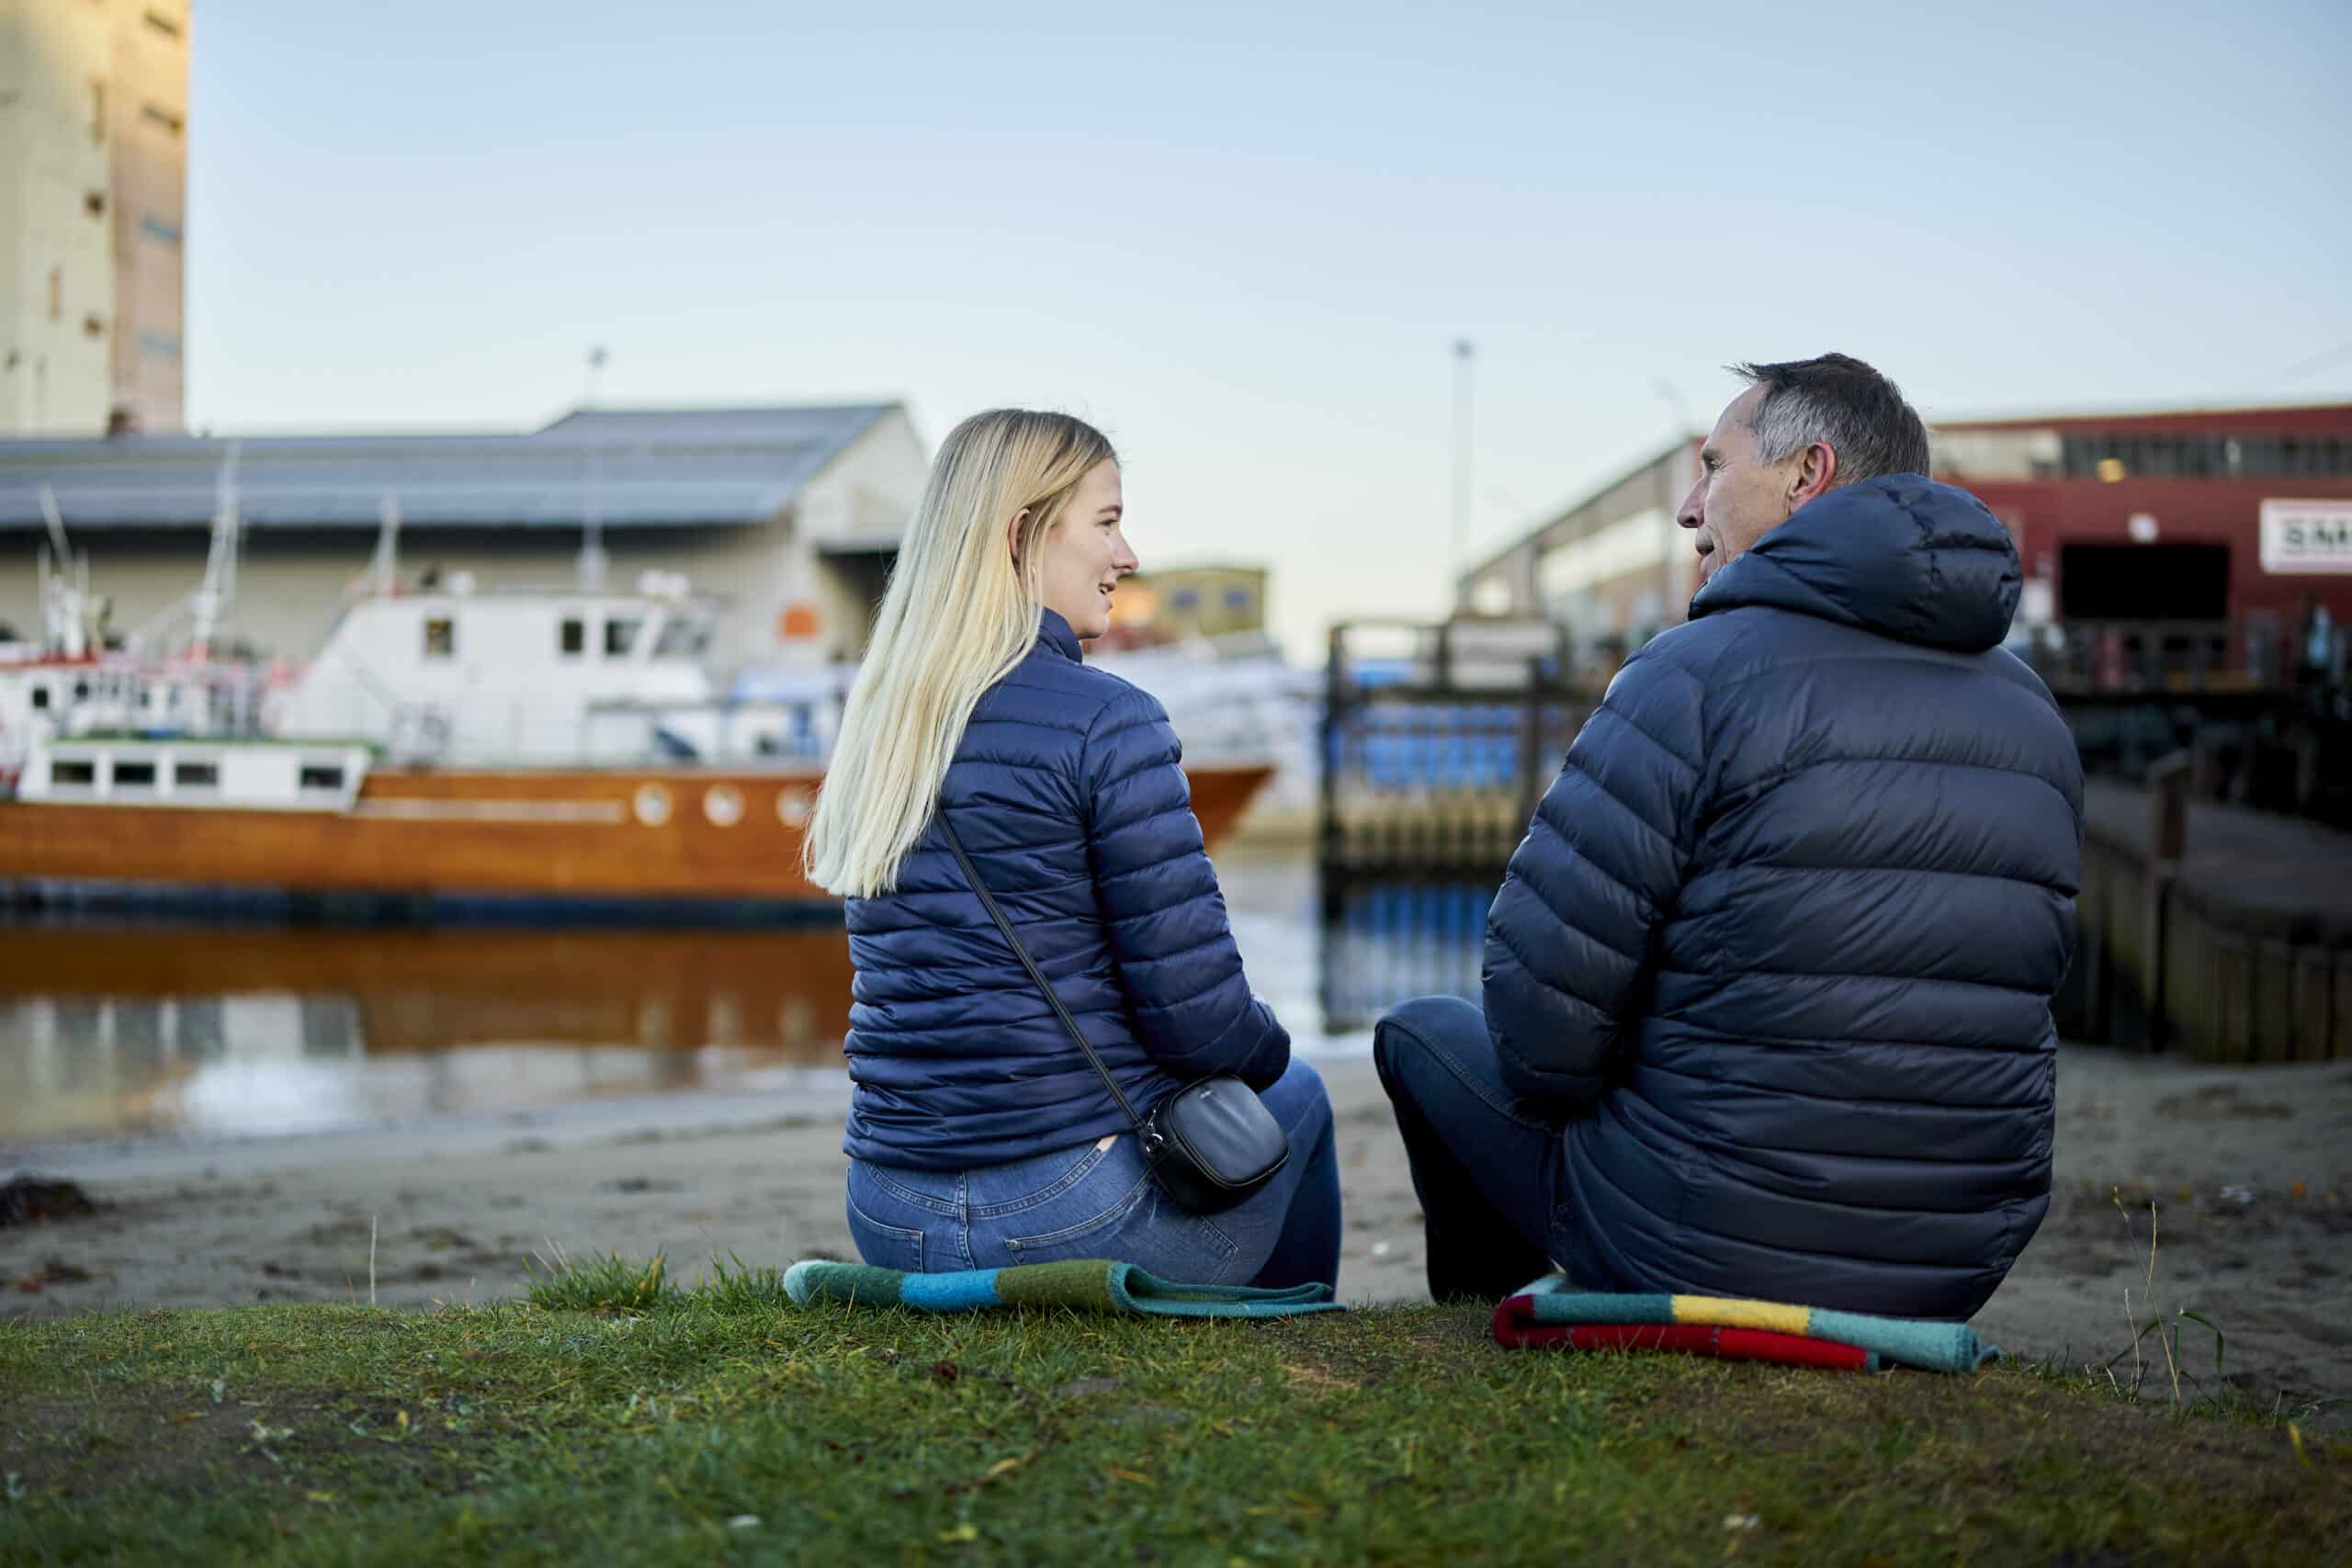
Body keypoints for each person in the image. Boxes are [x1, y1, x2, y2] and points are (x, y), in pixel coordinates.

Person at [1374, 354, 2083, 1320]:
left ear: (1806, 475)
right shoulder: (2031, 715)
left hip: (1696, 1240)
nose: (1688, 507)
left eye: (1713, 466)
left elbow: (1538, 1035)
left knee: (1422, 1033)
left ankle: (1493, 1313)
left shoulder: (1690, 674)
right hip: (1951, 1264)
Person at [804, 409, 1339, 1288]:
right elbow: (1199, 1019)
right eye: (1107, 521)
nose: (1128, 556)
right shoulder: (1110, 721)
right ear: (1022, 536)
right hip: (1063, 1212)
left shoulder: (879, 725)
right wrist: (1269, 1049)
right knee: (1298, 1096)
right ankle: (1288, 1321)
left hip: (888, 1209)